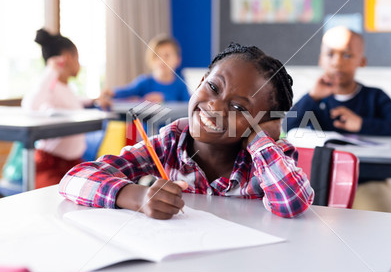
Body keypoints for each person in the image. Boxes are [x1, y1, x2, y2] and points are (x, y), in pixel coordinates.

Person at [59, 43, 314, 219]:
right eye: (213, 87)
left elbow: (292, 202)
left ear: (261, 121)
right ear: (201, 81)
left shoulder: (269, 156)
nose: (214, 105)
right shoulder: (168, 145)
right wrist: (137, 197)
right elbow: (75, 179)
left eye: (238, 107)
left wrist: (260, 139)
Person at [285, 26, 391, 212]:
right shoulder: (315, 99)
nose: (337, 62)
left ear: (362, 61)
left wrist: (362, 124)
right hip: (322, 179)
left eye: (347, 55)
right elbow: (286, 127)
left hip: (367, 180)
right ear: (320, 60)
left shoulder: (375, 97)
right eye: (330, 55)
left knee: (379, 213)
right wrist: (311, 97)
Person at [21, 28, 95, 189]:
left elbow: (73, 103)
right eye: (77, 58)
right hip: (50, 166)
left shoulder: (65, 88)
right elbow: (30, 106)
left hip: (73, 164)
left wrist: (94, 100)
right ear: (68, 58)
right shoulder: (50, 86)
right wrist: (51, 70)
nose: (79, 64)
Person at [99, 34, 190, 107]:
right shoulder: (144, 82)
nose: (161, 60)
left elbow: (187, 107)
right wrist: (111, 93)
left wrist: (164, 98)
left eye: (167, 55)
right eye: (157, 55)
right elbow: (128, 91)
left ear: (178, 60)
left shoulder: (181, 85)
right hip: (146, 130)